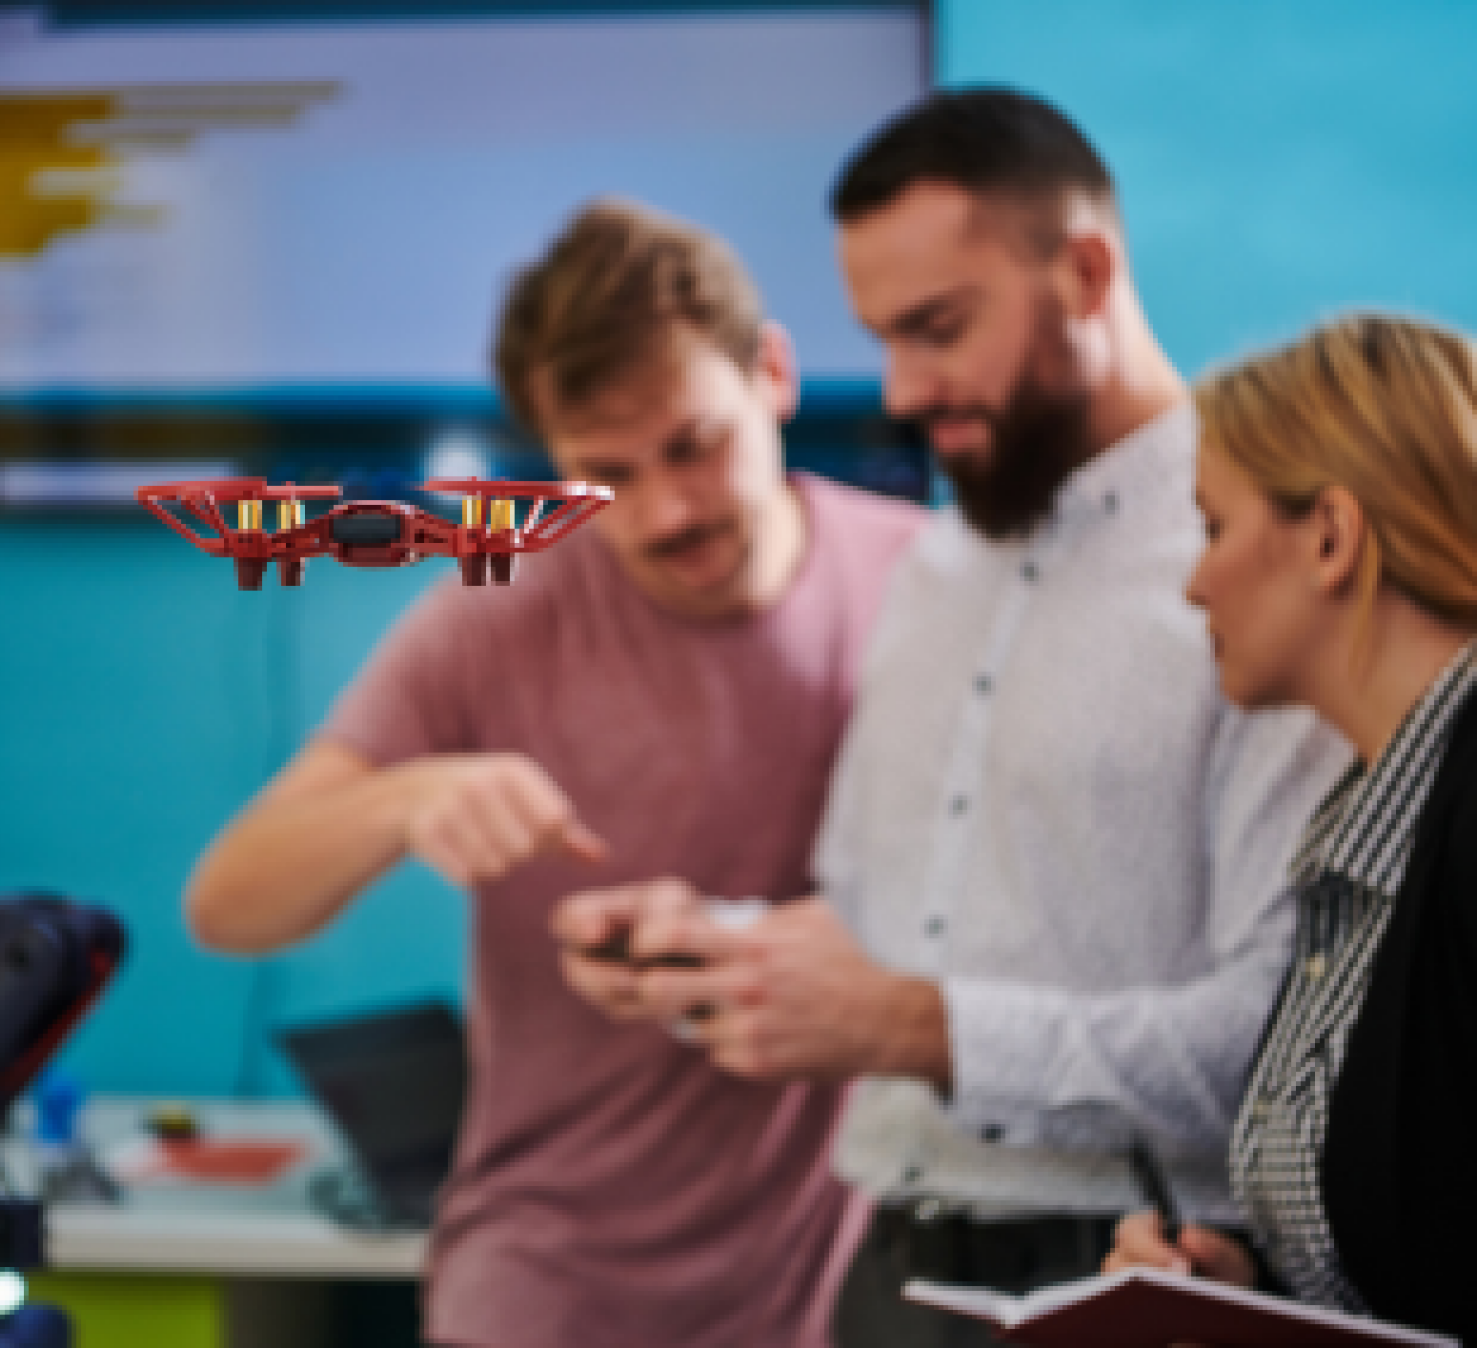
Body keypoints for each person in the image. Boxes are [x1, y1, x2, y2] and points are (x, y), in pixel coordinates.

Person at [555, 89, 1348, 1346]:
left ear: (1086, 273)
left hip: (1142, 1275)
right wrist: (711, 946)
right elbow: (880, 927)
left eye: (938, 328)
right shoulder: (933, 567)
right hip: (890, 1269)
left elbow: (1292, 1032)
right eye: (883, 337)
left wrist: (922, 1029)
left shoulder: (1257, 564)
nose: (904, 387)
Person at [185, 198, 926, 1347]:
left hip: (842, 1286)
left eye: (694, 445)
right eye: (607, 473)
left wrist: (753, 941)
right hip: (545, 1279)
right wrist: (404, 797)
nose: (666, 511)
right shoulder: (499, 618)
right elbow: (228, 902)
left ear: (773, 374)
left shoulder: (929, 585)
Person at [1103, 314, 1477, 1346]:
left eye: (1213, 527)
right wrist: (1255, 1289)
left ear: (1330, 538)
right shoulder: (1369, 817)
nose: (1194, 583)